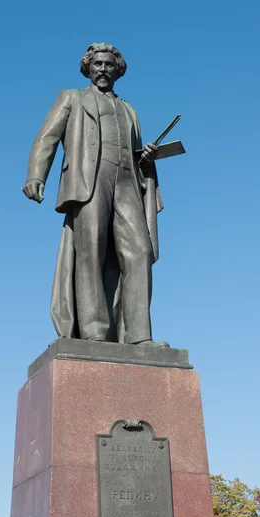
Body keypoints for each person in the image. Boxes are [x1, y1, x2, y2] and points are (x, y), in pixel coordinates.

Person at [22, 42, 168, 347]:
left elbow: (135, 152)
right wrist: (36, 176)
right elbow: (46, 138)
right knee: (90, 254)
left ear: (118, 70)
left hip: (127, 183)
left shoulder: (129, 110)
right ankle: (94, 332)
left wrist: (147, 158)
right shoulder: (72, 98)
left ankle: (140, 336)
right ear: (88, 67)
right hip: (89, 184)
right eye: (97, 64)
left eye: (109, 65)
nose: (103, 69)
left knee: (140, 252)